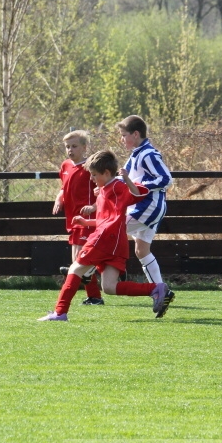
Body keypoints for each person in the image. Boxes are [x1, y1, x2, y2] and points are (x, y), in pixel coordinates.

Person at [38, 150, 175, 321]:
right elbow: (108, 219)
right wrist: (86, 223)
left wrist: (125, 180)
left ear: (107, 173)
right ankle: (155, 289)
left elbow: (141, 193)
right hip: (116, 242)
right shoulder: (104, 190)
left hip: (104, 238)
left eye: (94, 175)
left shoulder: (118, 186)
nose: (92, 179)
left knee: (75, 269)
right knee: (109, 287)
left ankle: (60, 312)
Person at [116, 115, 172, 285]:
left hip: (148, 208)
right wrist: (104, 187)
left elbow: (166, 179)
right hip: (146, 207)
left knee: (112, 230)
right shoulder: (136, 154)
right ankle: (161, 291)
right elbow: (123, 178)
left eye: (124, 135)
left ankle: (86, 270)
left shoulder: (148, 154)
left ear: (135, 134)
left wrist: (138, 186)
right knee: (141, 250)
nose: (122, 139)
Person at [52, 130, 104, 305]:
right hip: (73, 220)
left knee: (79, 260)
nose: (70, 150)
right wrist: (59, 198)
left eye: (74, 146)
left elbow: (106, 190)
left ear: (84, 147)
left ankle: (93, 294)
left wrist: (95, 206)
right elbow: (63, 186)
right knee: (78, 261)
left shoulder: (91, 167)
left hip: (87, 219)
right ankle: (94, 295)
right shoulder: (65, 166)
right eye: (67, 147)